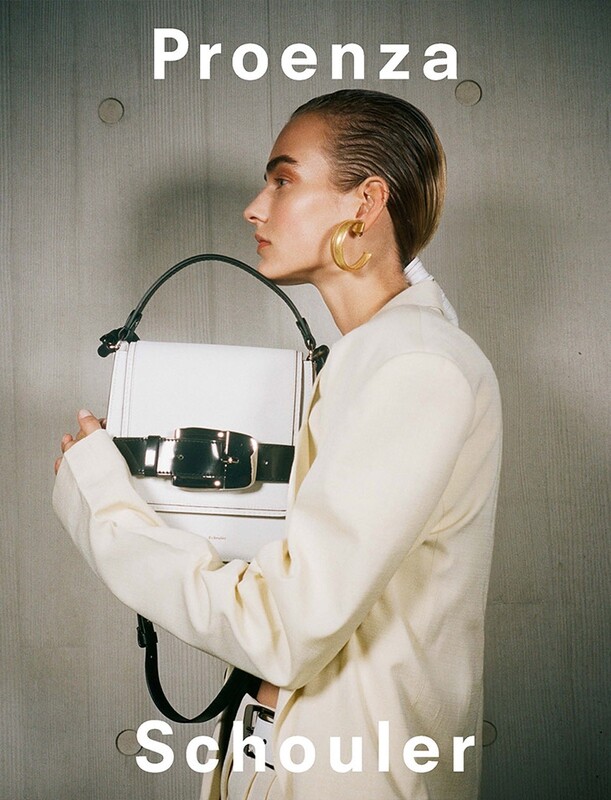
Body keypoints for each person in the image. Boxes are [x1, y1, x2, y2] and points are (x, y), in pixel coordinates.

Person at [54, 89, 502, 800]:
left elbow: (287, 627)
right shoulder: (377, 358)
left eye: (283, 180)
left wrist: (103, 505)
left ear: (366, 201)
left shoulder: (414, 365)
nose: (254, 208)